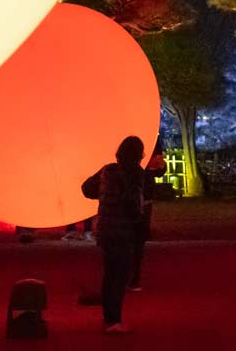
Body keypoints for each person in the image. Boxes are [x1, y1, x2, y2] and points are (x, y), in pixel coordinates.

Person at [81, 135, 149, 334]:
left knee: (110, 274)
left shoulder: (107, 170)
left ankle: (108, 317)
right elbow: (134, 204)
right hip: (124, 231)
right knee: (120, 276)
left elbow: (86, 189)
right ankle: (114, 320)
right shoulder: (135, 173)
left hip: (105, 229)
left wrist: (103, 194)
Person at [133, 148, 166, 290]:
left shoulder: (153, 148)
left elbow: (159, 171)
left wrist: (160, 165)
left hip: (144, 197)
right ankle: (132, 278)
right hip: (138, 198)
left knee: (136, 240)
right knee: (134, 243)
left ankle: (131, 279)